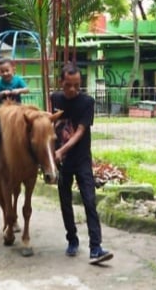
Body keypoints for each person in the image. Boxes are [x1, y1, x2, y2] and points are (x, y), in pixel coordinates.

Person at [51, 62, 113, 265]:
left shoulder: (87, 102)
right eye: (69, 85)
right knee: (65, 201)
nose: (73, 89)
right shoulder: (55, 98)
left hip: (81, 159)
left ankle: (96, 248)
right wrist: (51, 152)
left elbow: (79, 131)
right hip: (63, 163)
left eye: (77, 85)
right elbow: (51, 123)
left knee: (89, 200)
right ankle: (72, 239)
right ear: (61, 82)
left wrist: (62, 150)